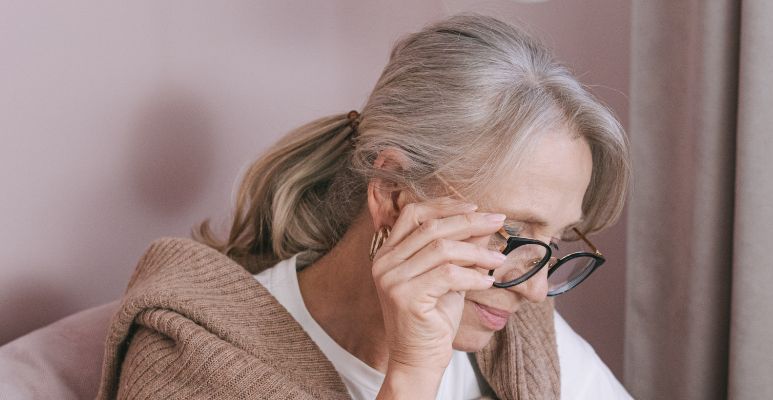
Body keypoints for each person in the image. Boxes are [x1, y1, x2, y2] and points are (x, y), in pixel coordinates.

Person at [96, 12, 632, 400]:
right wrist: (412, 374)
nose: (535, 290)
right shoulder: (189, 357)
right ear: (394, 194)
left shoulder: (517, 337)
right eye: (511, 232)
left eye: (553, 241)